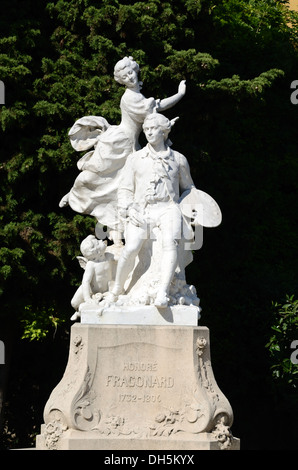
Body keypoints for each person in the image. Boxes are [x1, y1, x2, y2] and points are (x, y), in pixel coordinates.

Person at [59, 57, 186, 239]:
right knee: (95, 173)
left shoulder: (138, 96)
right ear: (121, 81)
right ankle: (74, 193)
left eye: (131, 73)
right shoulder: (130, 97)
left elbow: (156, 107)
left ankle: (117, 229)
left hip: (131, 145)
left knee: (120, 185)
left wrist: (180, 94)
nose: (130, 77)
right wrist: (179, 95)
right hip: (119, 141)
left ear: (136, 71)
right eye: (125, 76)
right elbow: (156, 109)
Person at [109, 113, 196, 307]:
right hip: (141, 210)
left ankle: (162, 293)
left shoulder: (178, 159)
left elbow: (189, 188)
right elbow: (125, 189)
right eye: (146, 129)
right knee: (131, 248)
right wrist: (129, 208)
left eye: (153, 129)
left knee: (170, 244)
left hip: (168, 209)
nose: (148, 132)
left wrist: (189, 206)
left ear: (164, 131)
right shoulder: (135, 159)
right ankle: (116, 289)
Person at [70, 235, 115, 320]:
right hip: (91, 289)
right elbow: (86, 282)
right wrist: (87, 298)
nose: (101, 240)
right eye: (98, 242)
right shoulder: (91, 264)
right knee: (74, 302)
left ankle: (82, 310)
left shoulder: (109, 256)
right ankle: (78, 311)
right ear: (97, 251)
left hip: (105, 289)